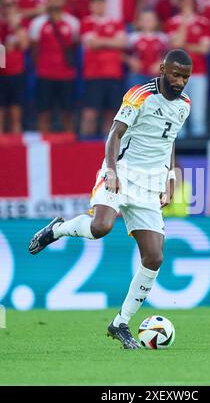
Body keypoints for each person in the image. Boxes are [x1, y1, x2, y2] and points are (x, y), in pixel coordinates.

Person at [28, 48, 192, 350]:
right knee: (100, 227)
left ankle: (120, 323)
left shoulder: (184, 105)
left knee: (154, 258)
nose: (180, 81)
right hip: (122, 170)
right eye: (175, 74)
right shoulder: (139, 94)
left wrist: (170, 179)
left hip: (150, 184)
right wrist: (112, 171)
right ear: (162, 69)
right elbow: (114, 135)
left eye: (185, 77)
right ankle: (57, 230)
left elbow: (169, 142)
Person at [29, 0, 80, 133]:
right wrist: (42, 66)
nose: (55, 1)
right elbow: (34, 49)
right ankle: (43, 145)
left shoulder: (73, 23)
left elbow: (74, 46)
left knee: (68, 113)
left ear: (63, 1)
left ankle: (69, 147)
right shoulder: (37, 23)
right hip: (45, 74)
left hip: (66, 75)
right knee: (43, 113)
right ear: (47, 1)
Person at [80, 0, 127, 137]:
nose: (99, 6)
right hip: (93, 74)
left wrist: (101, 41)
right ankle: (84, 147)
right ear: (91, 5)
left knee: (111, 114)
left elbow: (122, 43)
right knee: (90, 114)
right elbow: (90, 43)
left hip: (113, 73)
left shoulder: (116, 22)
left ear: (105, 4)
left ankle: (106, 150)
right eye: (95, 3)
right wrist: (111, 41)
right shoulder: (86, 22)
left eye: (101, 2)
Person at [165, 0, 210, 138]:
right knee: (178, 108)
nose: (186, 4)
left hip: (198, 71)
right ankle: (178, 142)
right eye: (183, 1)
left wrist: (185, 45)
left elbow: (205, 49)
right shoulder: (173, 22)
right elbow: (175, 45)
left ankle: (198, 141)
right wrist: (184, 22)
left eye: (189, 1)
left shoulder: (203, 22)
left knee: (198, 111)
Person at [0, 0, 29, 134]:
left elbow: (24, 45)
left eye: (11, 5)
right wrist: (6, 48)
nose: (8, 9)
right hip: (2, 73)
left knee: (15, 111)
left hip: (16, 72)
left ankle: (16, 145)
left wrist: (15, 25)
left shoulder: (19, 24)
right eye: (5, 5)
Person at [126, 9, 169, 90]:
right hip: (137, 76)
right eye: (145, 19)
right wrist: (130, 61)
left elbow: (172, 53)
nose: (148, 21)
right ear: (139, 22)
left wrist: (162, 63)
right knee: (136, 101)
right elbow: (120, 52)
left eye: (151, 19)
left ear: (156, 22)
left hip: (156, 77)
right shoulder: (132, 37)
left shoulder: (163, 38)